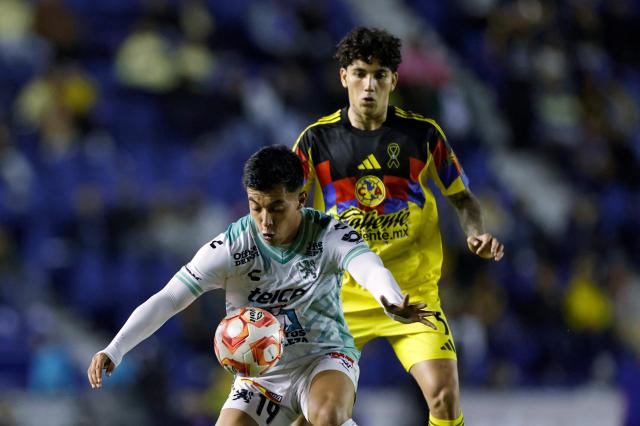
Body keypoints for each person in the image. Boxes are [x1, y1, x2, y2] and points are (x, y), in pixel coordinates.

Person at [87, 145, 435, 426]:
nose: (265, 220)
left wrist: (389, 298)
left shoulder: (328, 234)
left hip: (323, 357)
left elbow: (368, 266)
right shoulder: (232, 247)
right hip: (260, 377)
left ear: (300, 199)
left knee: (326, 416)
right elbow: (170, 298)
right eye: (256, 207)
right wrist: (115, 348)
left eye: (276, 208)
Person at [292, 27, 505, 426]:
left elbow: (462, 197)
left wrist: (474, 231)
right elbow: (287, 207)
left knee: (444, 396)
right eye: (359, 73)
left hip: (413, 292)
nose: (368, 84)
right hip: (343, 299)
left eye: (379, 74)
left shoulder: (423, 135)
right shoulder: (314, 141)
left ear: (393, 79)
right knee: (319, 414)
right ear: (344, 77)